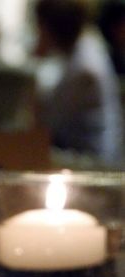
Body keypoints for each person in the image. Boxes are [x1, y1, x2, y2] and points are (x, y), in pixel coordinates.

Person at [34, 0, 124, 165]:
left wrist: (38, 55)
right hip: (85, 151)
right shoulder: (85, 46)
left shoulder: (84, 69)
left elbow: (49, 123)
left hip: (95, 160)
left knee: (27, 155)